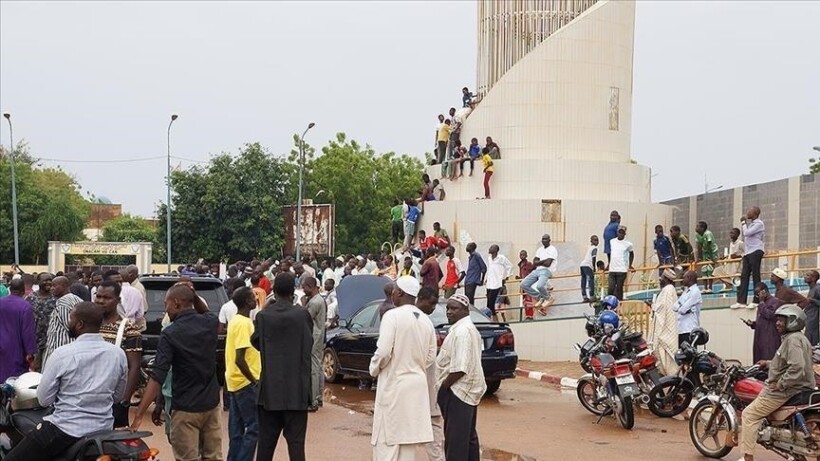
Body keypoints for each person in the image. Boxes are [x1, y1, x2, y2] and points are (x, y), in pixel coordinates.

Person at [3, 302, 127, 461]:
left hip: (65, 429)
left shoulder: (62, 354)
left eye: (71, 318)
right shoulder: (118, 354)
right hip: (104, 428)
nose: (69, 322)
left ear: (80, 324)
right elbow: (118, 396)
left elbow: (44, 399)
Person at [130, 284, 222, 461]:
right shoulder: (210, 322)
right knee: (214, 457)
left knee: (187, 458)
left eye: (167, 304)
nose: (166, 309)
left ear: (178, 304)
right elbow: (207, 311)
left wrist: (140, 414)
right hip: (211, 405)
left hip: (185, 408)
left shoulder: (170, 333)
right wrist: (192, 296)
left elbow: (158, 376)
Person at [369, 276, 437, 461]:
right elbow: (431, 357)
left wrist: (374, 369)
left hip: (394, 385)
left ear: (398, 292)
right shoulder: (426, 321)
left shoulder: (392, 316)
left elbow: (383, 351)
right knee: (408, 446)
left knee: (386, 443)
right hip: (416, 387)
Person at [739, 304, 814, 461]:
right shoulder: (798, 338)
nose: (778, 323)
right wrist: (768, 363)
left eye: (782, 320)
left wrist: (780, 384)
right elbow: (787, 362)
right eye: (778, 320)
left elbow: (796, 367)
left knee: (749, 415)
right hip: (797, 387)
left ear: (793, 321)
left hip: (784, 390)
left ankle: (747, 457)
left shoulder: (792, 340)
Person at [253, 272, 313, 461]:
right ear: (293, 292)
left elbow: (255, 342)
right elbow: (309, 342)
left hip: (270, 391)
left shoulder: (263, 316)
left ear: (274, 291)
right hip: (296, 390)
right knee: (296, 446)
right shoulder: (302, 314)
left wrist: (267, 307)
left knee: (265, 445)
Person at [436, 293, 486, 461]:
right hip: (467, 391)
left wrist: (444, 387)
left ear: (466, 310)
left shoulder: (462, 332)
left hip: (458, 391)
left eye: (454, 308)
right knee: (468, 439)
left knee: (456, 443)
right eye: (448, 308)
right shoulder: (465, 329)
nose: (449, 312)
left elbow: (460, 368)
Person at [95, 280, 143, 428]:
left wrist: (124, 400)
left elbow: (134, 366)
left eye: (107, 298)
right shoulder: (90, 324)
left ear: (118, 300)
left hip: (114, 395)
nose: (101, 301)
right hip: (90, 393)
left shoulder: (128, 328)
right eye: (98, 296)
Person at [224, 287, 260, 461]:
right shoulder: (245, 324)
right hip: (245, 382)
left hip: (235, 381)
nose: (256, 300)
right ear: (247, 302)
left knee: (236, 430)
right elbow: (240, 358)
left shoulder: (236, 321)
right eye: (253, 297)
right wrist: (254, 380)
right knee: (253, 428)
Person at [415, 286, 446, 461]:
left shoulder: (426, 323)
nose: (433, 308)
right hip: (417, 381)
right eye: (431, 303)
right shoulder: (415, 320)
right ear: (420, 298)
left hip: (427, 381)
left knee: (433, 422)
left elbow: (429, 357)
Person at [42, 276, 83, 367]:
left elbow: (70, 328)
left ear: (64, 286)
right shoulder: (77, 299)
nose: (51, 288)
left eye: (54, 286)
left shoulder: (63, 303)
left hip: (60, 350)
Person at [0, 278, 36, 382]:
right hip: (16, 348)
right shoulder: (25, 306)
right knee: (15, 380)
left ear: (10, 289)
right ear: (23, 291)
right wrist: (30, 353)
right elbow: (28, 332)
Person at [646, 269, 679, 376]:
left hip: (666, 330)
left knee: (667, 355)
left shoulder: (668, 290)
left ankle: (671, 377)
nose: (660, 280)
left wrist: (653, 306)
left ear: (666, 279)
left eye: (662, 278)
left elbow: (663, 309)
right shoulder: (668, 290)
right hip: (667, 328)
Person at [733, 206, 766, 309]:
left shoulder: (759, 224)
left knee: (756, 276)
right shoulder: (751, 224)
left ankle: (756, 300)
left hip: (756, 251)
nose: (747, 212)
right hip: (748, 253)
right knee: (744, 276)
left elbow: (747, 233)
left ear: (755, 213)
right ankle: (741, 301)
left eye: (750, 211)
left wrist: (743, 223)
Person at [302, 276, 327, 411]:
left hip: (314, 336)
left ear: (310, 287)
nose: (303, 289)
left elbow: (304, 317)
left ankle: (314, 400)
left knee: (314, 368)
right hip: (319, 334)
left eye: (304, 287)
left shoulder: (314, 303)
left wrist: (302, 305)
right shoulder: (320, 300)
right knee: (319, 366)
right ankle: (319, 397)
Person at [743, 283, 783, 363]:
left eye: (758, 294)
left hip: (769, 339)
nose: (757, 297)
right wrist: (753, 324)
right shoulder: (762, 304)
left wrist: (761, 302)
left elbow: (770, 315)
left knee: (767, 362)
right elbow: (762, 320)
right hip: (759, 339)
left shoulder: (775, 301)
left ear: (764, 291)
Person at [26, 272, 56, 371]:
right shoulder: (31, 298)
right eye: (45, 280)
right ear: (38, 282)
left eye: (50, 280)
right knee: (35, 369)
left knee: (50, 369)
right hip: (35, 341)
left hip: (51, 340)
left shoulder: (56, 298)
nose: (48, 282)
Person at [522, 234, 558, 311]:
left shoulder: (552, 249)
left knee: (539, 286)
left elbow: (548, 264)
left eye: (545, 239)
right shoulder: (540, 250)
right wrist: (543, 261)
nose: (544, 241)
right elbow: (534, 263)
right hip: (537, 270)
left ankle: (548, 298)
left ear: (549, 240)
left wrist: (539, 262)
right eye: (543, 239)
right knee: (524, 284)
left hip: (547, 271)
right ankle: (540, 298)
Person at [672, 270, 702, 347]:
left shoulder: (695, 292)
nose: (683, 280)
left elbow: (682, 310)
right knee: (681, 355)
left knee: (690, 355)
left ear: (689, 278)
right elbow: (674, 307)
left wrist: (681, 305)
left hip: (690, 329)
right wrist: (682, 306)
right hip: (681, 329)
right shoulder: (686, 291)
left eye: (684, 278)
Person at [485, 245, 513, 321]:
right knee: (488, 303)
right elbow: (490, 269)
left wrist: (507, 276)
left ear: (496, 250)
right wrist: (487, 278)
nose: (490, 248)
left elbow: (510, 266)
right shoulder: (489, 258)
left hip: (497, 283)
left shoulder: (501, 258)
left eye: (491, 247)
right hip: (490, 283)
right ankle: (491, 318)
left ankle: (494, 318)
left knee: (491, 302)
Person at [607, 226, 635, 301]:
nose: (621, 234)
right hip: (612, 269)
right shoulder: (612, 241)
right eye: (620, 232)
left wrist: (630, 265)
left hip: (622, 269)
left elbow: (631, 254)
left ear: (625, 234)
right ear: (617, 232)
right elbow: (610, 253)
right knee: (611, 288)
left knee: (619, 288)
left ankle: (619, 303)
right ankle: (608, 303)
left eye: (622, 232)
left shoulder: (628, 244)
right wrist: (608, 264)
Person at [121, 264, 148, 331]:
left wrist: (131, 322)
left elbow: (143, 310)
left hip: (135, 328)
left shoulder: (138, 288)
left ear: (132, 275)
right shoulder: (133, 288)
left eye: (128, 273)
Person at [695, 221, 719, 293]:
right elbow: (699, 246)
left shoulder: (708, 233)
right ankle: (705, 288)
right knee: (704, 270)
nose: (696, 228)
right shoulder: (697, 235)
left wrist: (712, 258)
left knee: (710, 269)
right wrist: (699, 258)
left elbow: (709, 246)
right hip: (704, 253)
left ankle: (710, 288)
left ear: (702, 228)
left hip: (712, 252)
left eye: (697, 226)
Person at [580, 235, 599, 303]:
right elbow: (594, 258)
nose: (596, 241)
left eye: (597, 240)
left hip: (582, 265)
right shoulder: (594, 248)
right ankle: (592, 296)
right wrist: (594, 268)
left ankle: (584, 296)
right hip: (588, 265)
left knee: (583, 280)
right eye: (595, 240)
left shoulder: (590, 247)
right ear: (591, 241)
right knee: (590, 280)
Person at [518, 250, 535, 320]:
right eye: (521, 255)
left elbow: (532, 272)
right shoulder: (520, 264)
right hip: (522, 284)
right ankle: (526, 315)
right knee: (524, 300)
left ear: (526, 255)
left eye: (523, 255)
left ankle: (530, 316)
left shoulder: (529, 264)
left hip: (527, 284)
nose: (522, 256)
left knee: (529, 299)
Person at [805, 270, 820, 346]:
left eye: (808, 275)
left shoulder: (817, 288)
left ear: (813, 278)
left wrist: (812, 300)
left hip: (813, 320)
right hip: (808, 318)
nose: (805, 277)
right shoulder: (811, 288)